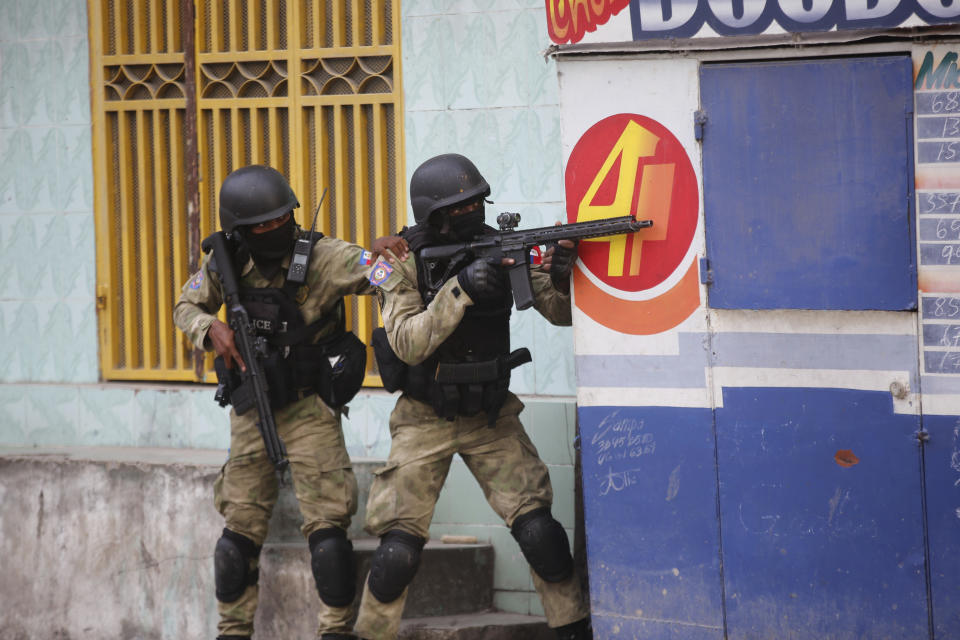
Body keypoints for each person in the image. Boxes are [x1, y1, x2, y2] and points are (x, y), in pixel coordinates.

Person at [352, 153, 591, 640]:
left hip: (491, 416)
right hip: (424, 418)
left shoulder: (501, 246)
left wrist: (565, 277)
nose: (471, 213)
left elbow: (559, 312)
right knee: (396, 553)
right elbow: (406, 342)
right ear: (433, 215)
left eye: (477, 202)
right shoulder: (396, 261)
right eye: (459, 208)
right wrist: (459, 289)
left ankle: (574, 629)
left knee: (542, 536)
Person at [173, 164, 408, 640]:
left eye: (280, 220)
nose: (271, 230)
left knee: (328, 539)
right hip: (250, 407)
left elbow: (384, 275)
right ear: (239, 230)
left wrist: (391, 252)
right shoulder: (225, 262)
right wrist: (209, 327)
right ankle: (232, 630)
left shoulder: (323, 256)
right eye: (259, 226)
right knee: (236, 538)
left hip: (308, 409)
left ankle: (335, 631)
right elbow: (185, 306)